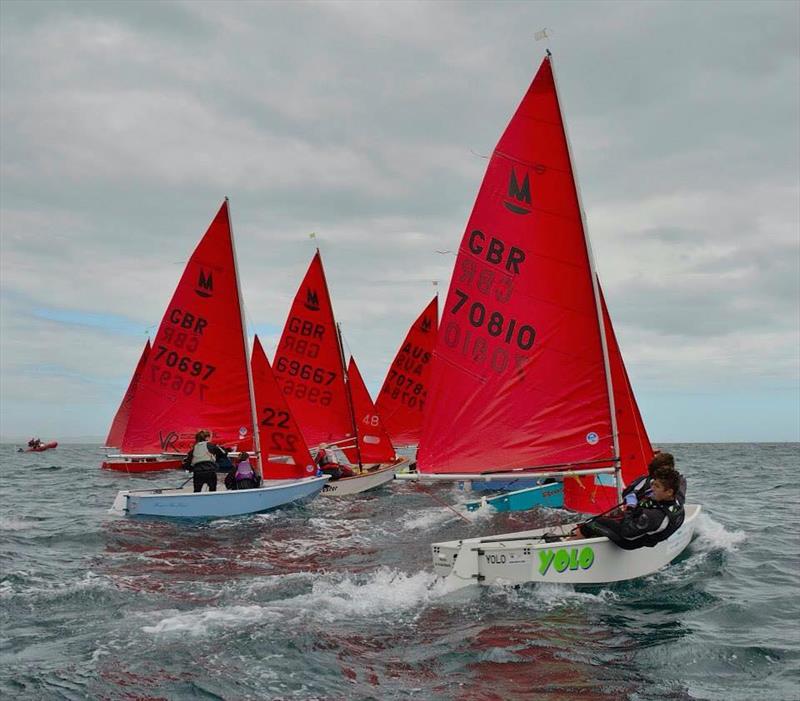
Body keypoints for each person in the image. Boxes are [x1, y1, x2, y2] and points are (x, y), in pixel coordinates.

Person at [566, 466, 685, 550]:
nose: (652, 488)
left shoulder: (655, 516)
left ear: (669, 492)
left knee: (592, 522)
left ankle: (568, 545)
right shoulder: (677, 500)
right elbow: (681, 484)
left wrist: (630, 507)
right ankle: (592, 537)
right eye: (652, 483)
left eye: (657, 486)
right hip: (645, 532)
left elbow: (627, 533)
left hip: (629, 542)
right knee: (613, 517)